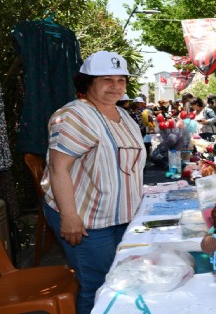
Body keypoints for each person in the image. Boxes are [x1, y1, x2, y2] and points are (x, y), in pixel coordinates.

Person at [42, 51, 146, 314]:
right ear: (87, 83)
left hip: (119, 216)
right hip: (86, 219)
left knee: (120, 280)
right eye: (106, 79)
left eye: (121, 80)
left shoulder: (123, 117)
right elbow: (58, 168)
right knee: (98, 285)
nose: (116, 86)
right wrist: (69, 216)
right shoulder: (74, 115)